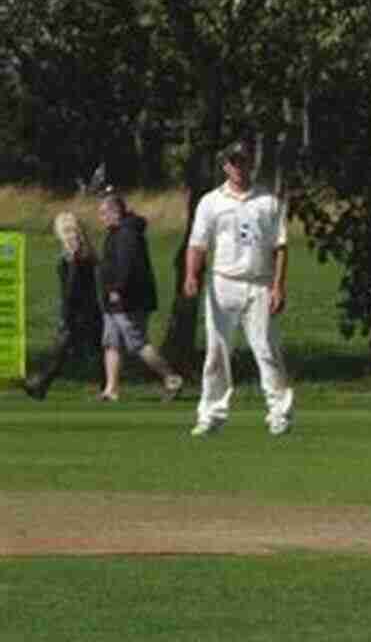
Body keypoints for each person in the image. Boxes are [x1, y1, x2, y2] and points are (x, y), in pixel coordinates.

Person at [183, 139, 294, 436]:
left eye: (243, 161)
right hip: (223, 282)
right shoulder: (211, 201)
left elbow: (280, 247)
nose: (238, 167)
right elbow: (198, 243)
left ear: (251, 163)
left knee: (267, 350)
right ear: (225, 166)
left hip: (259, 283)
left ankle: (279, 413)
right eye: (233, 162)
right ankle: (211, 415)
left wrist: (278, 286)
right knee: (216, 352)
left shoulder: (268, 201)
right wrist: (191, 276)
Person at [96, 194, 184, 402]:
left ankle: (171, 378)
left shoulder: (127, 234)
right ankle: (111, 389)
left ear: (115, 212)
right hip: (112, 299)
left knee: (137, 342)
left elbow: (128, 266)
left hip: (128, 300)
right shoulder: (116, 232)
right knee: (111, 342)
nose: (101, 218)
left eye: (103, 213)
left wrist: (118, 289)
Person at [23, 212, 104, 400]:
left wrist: (66, 315)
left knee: (63, 350)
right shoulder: (84, 253)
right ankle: (41, 384)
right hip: (88, 310)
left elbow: (72, 289)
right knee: (87, 350)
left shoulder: (75, 256)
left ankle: (40, 384)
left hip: (79, 312)